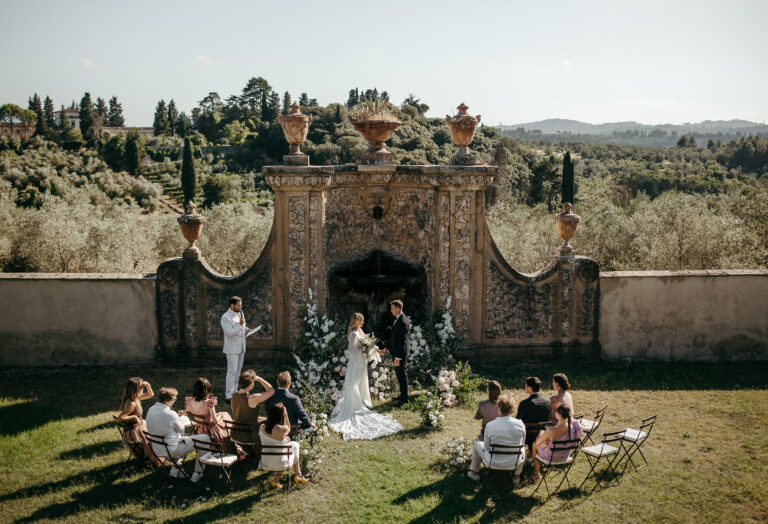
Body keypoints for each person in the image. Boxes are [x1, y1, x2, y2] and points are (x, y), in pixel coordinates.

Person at [328, 312, 403, 440]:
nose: (363, 323)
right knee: (353, 385)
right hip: (356, 364)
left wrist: (377, 350)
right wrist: (363, 350)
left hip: (361, 363)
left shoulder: (359, 330)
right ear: (357, 321)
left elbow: (367, 343)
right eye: (361, 321)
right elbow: (351, 351)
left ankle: (359, 403)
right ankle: (353, 406)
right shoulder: (353, 334)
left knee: (359, 384)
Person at [145, 386, 212, 482]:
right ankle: (198, 472)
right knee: (205, 438)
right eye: (174, 398)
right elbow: (181, 430)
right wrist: (192, 422)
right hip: (172, 450)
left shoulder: (151, 409)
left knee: (182, 437)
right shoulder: (170, 414)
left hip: (158, 448)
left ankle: (176, 469)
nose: (175, 400)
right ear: (168, 401)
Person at [467, 395, 526, 487]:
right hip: (514, 462)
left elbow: (486, 446)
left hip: (493, 462)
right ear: (512, 409)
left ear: (499, 408)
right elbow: (522, 443)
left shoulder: (490, 425)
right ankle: (516, 477)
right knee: (522, 449)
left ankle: (475, 473)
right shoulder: (520, 424)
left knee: (478, 444)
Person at [259, 403, 309, 488]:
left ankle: (276, 480)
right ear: (280, 415)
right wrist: (285, 415)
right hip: (281, 463)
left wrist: (284, 442)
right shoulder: (283, 429)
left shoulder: (262, 427)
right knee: (294, 445)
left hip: (265, 462)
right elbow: (288, 427)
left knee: (289, 447)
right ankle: (298, 475)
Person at [531, 405, 583, 482]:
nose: (555, 412)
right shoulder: (572, 427)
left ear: (560, 415)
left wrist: (543, 441)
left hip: (551, 457)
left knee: (534, 444)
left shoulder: (551, 430)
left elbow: (538, 442)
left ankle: (536, 473)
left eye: (556, 411)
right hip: (565, 456)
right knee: (542, 433)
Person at [116, 377, 160, 466]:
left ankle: (150, 458)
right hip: (135, 429)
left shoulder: (136, 397)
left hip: (139, 425)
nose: (142, 388)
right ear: (134, 389)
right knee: (152, 440)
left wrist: (148, 386)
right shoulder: (131, 403)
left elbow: (150, 395)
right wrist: (134, 417)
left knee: (154, 435)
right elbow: (119, 418)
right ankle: (151, 460)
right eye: (141, 387)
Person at [185, 377, 235, 452]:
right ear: (207, 389)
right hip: (209, 428)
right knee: (225, 416)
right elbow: (215, 421)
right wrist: (219, 417)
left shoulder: (190, 401)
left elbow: (186, 412)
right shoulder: (208, 403)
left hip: (198, 427)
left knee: (223, 414)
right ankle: (232, 440)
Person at [231, 370, 274, 455]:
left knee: (263, 419)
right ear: (251, 385)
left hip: (236, 432)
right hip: (249, 434)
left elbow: (241, 413)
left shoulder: (233, 395)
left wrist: (253, 417)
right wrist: (260, 379)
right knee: (269, 422)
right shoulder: (251, 398)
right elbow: (271, 391)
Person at [265, 371, 315, 436]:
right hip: (290, 432)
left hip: (272, 431)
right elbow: (302, 415)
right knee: (311, 428)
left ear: (277, 382)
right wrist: (310, 423)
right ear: (289, 383)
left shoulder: (269, 397)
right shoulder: (294, 399)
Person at [221, 296, 250, 403]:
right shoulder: (225, 317)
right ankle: (228, 396)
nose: (240, 307)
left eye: (241, 305)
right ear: (232, 305)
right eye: (238, 305)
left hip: (241, 347)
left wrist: (249, 330)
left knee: (238, 371)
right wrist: (240, 325)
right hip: (232, 349)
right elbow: (229, 333)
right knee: (232, 371)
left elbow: (242, 328)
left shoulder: (240, 313)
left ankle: (235, 392)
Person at [516, 377, 552, 452]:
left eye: (526, 385)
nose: (525, 387)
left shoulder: (524, 403)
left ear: (529, 387)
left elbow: (518, 421)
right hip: (543, 434)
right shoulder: (548, 401)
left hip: (527, 436)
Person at [387, 299, 410, 403]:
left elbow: (402, 341)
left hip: (400, 353)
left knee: (402, 374)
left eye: (392, 309)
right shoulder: (397, 319)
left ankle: (405, 399)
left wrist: (398, 358)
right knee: (399, 374)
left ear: (398, 309)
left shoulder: (402, 321)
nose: (391, 311)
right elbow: (394, 337)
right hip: (396, 352)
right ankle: (402, 394)